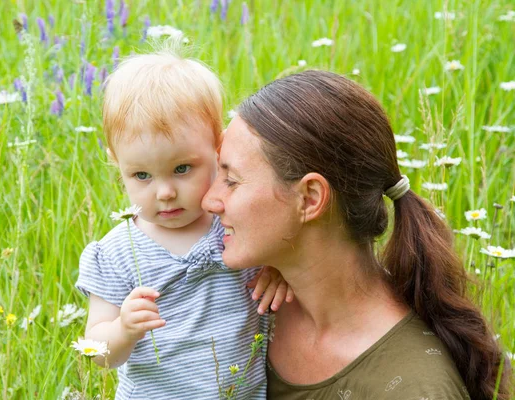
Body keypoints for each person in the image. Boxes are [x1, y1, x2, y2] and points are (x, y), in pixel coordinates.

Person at [202, 70, 511, 399]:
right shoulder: (251, 302)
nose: (208, 200)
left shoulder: (415, 389)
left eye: (231, 181)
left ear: (309, 198)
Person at [75, 46, 291, 400]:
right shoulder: (117, 253)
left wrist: (278, 271)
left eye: (182, 169)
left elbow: (287, 253)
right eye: (141, 175)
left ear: (218, 148)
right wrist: (123, 329)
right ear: (117, 163)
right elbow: (96, 351)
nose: (164, 192)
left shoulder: (235, 225)